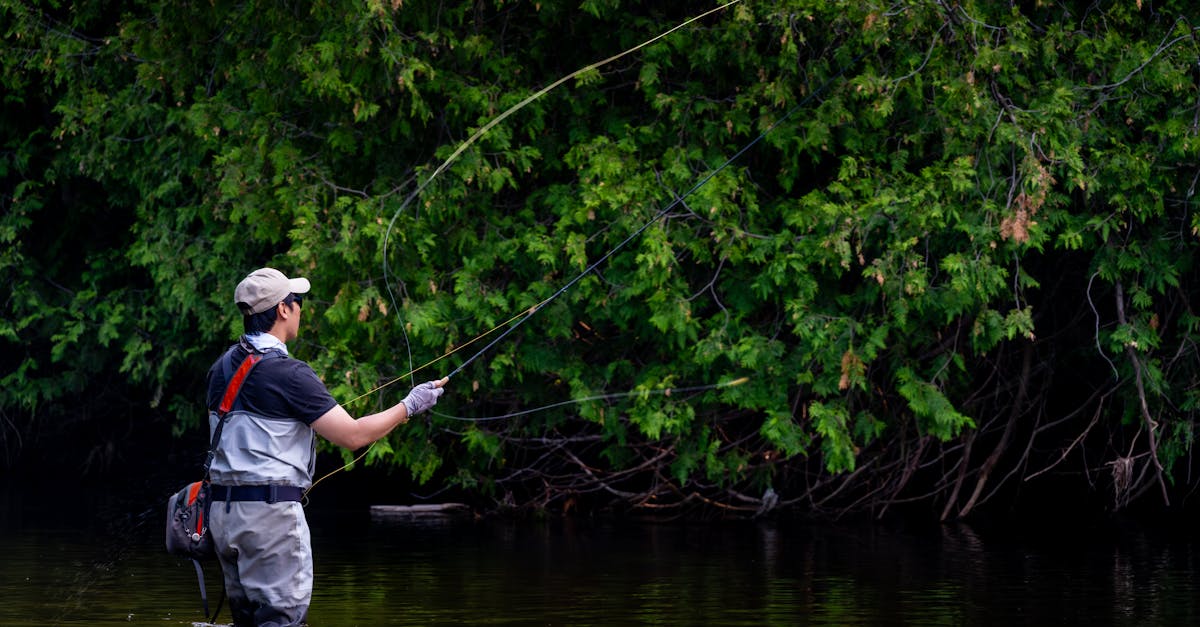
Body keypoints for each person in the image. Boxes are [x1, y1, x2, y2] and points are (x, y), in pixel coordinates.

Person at [205, 267, 446, 626]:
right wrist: (410, 405)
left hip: (222, 516)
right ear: (283, 309)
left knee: (248, 621)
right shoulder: (289, 374)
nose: (300, 309)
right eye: (297, 301)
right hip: (268, 521)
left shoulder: (220, 369)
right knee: (283, 620)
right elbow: (353, 436)